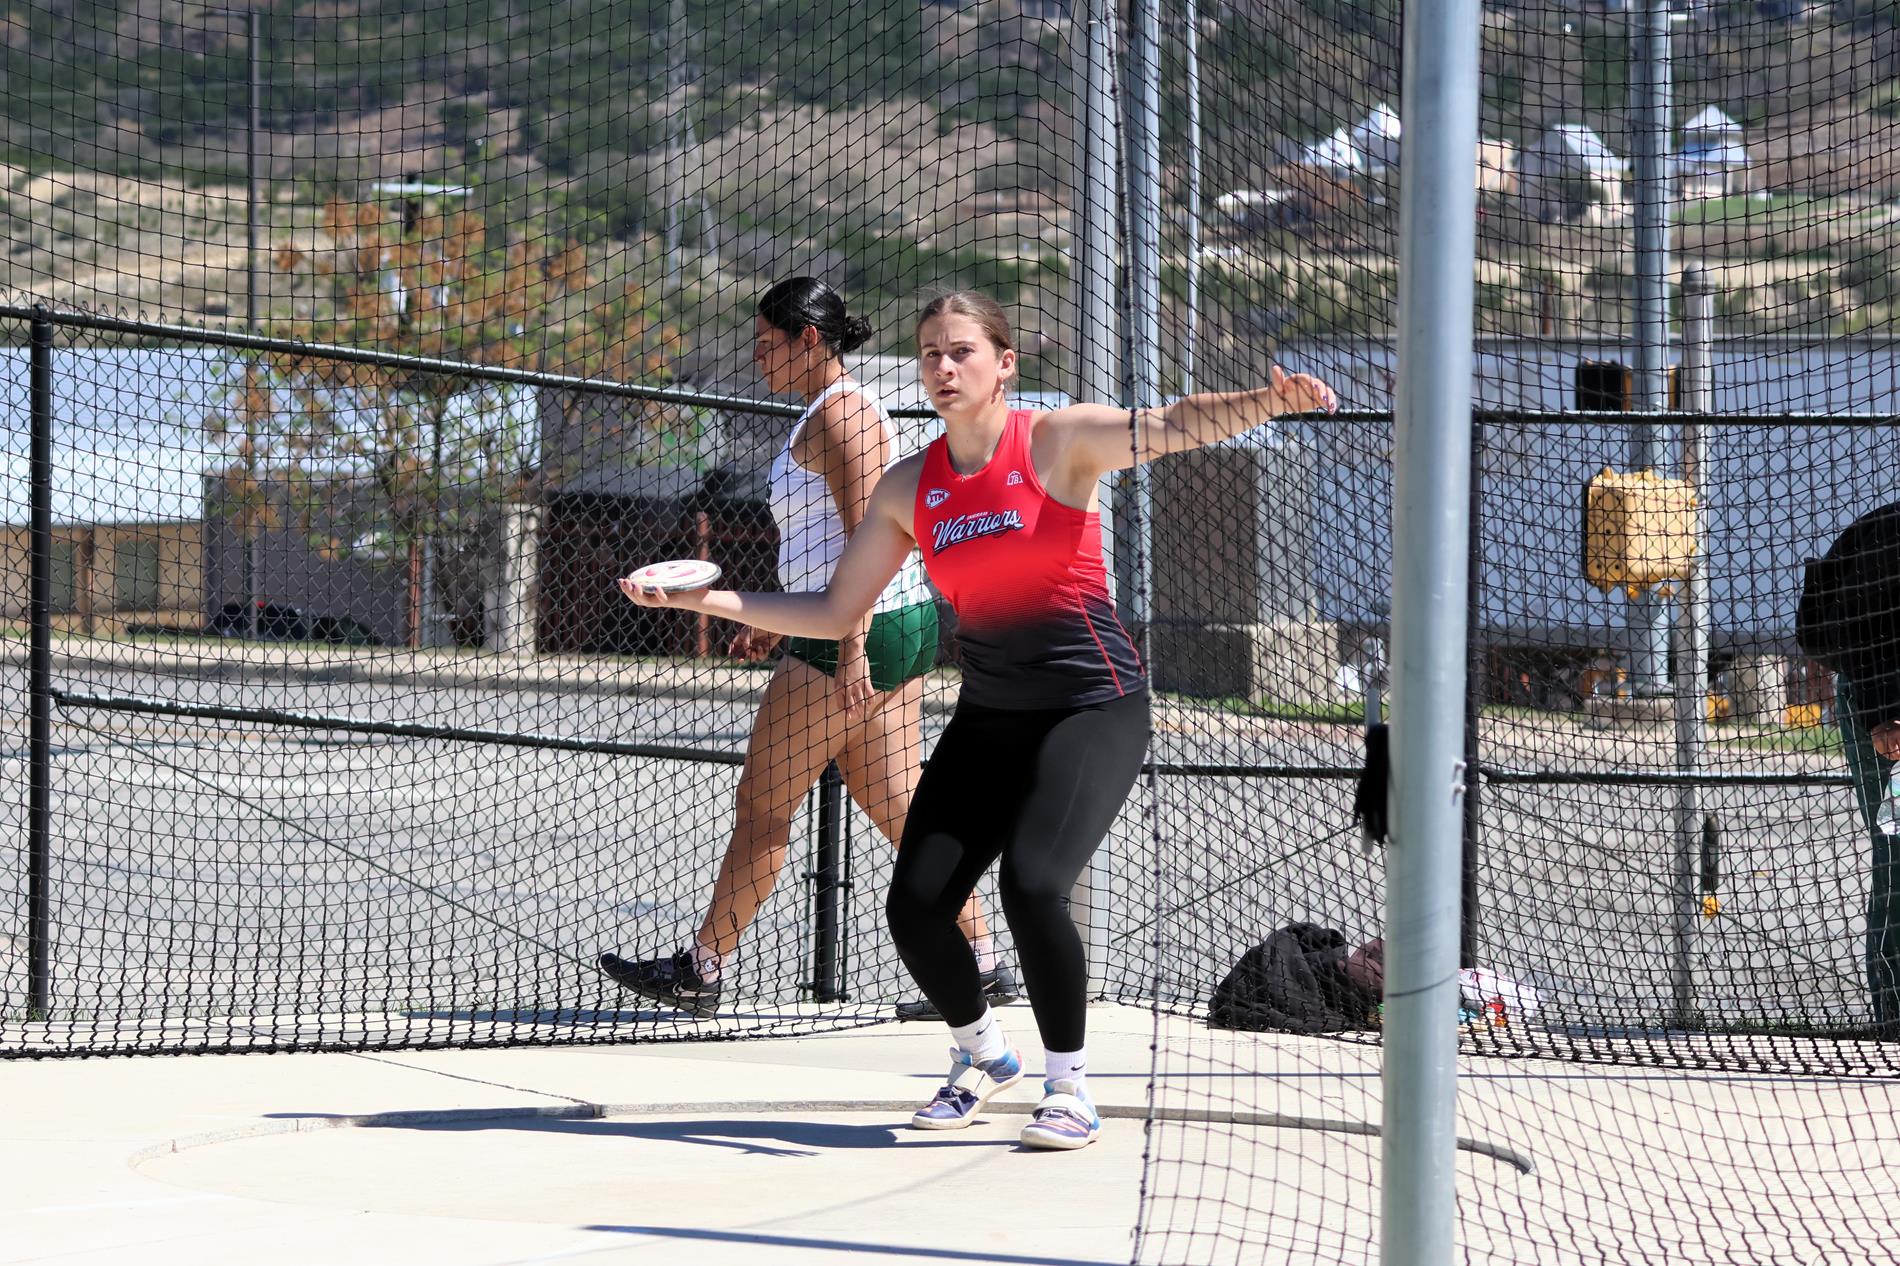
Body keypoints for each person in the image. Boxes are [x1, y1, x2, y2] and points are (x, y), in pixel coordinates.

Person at [621, 290, 1337, 1149]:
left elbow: (1173, 423)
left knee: (1034, 885)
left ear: (1004, 365)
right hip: (992, 711)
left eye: (962, 352)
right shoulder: (909, 484)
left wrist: (1269, 402)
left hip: (1091, 705)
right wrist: (710, 598)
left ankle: (1067, 1086)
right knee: (916, 907)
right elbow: (837, 609)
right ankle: (982, 1055)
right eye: (930, 355)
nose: (943, 367)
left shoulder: (1056, 441)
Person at [597, 278, 1012, 1020]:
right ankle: (981, 962)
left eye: (768, 344)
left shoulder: (844, 416)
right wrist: (789, 620)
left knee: (762, 806)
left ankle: (702, 969)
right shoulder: (830, 412)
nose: (760, 359)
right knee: (898, 807)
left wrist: (843, 646)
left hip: (861, 630)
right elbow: (828, 544)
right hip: (882, 623)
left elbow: (866, 536)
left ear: (809, 340)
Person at [1796, 502, 1900, 1035]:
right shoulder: (1889, 531)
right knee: (1898, 857)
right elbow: (1861, 629)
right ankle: (1896, 1009)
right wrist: (1886, 714)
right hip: (1887, 705)